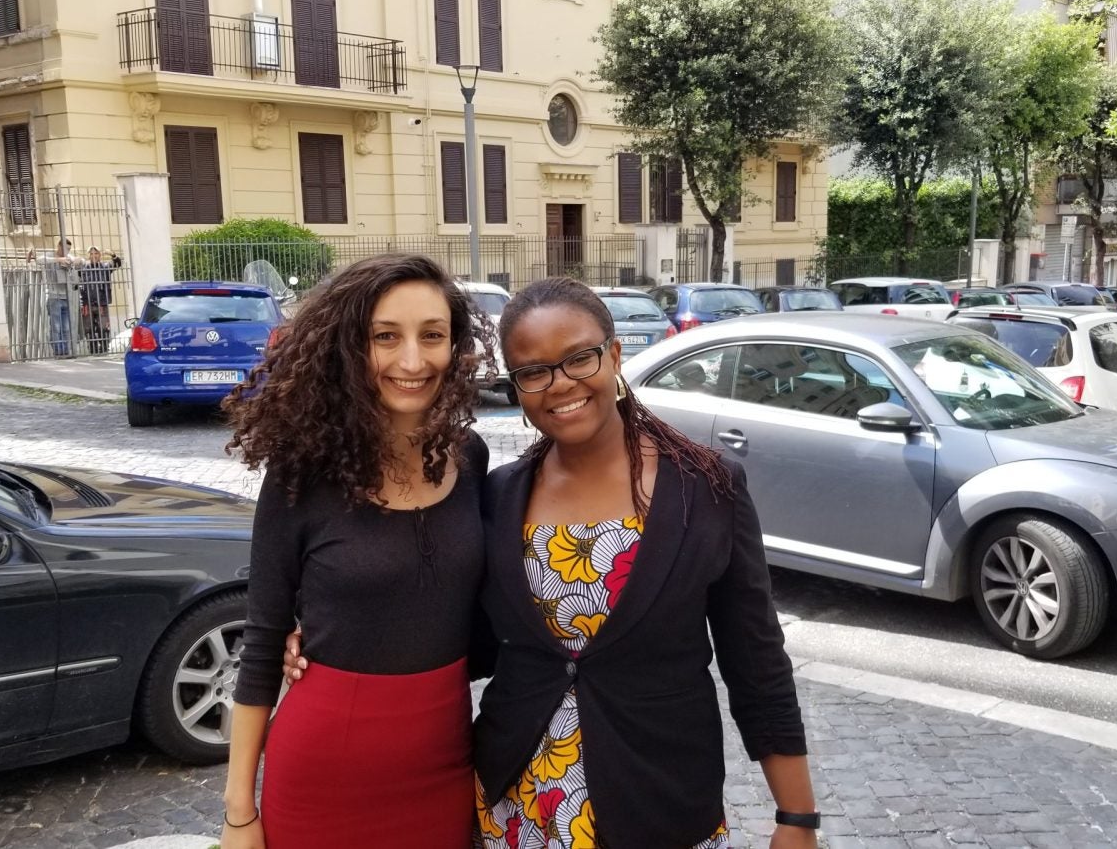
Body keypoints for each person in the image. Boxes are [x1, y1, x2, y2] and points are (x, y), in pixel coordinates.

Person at [285, 278, 820, 847]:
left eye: (579, 358)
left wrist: (797, 816)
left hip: (659, 802)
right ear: (517, 387)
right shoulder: (500, 494)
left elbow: (755, 660)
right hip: (517, 807)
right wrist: (316, 636)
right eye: (533, 371)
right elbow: (454, 631)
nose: (559, 384)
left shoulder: (705, 489)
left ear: (614, 356)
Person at [221, 255, 497, 849]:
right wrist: (239, 811)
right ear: (349, 347)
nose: (412, 361)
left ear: (456, 347)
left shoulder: (471, 457)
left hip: (445, 758)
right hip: (326, 770)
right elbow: (265, 640)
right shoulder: (302, 474)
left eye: (432, 336)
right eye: (385, 337)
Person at [78, 247, 121, 354]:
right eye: (91, 253)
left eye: (96, 253)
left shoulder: (105, 267)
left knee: (103, 327)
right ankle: (93, 349)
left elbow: (117, 264)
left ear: (99, 255)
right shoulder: (83, 268)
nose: (93, 256)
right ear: (88, 255)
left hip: (102, 302)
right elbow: (73, 273)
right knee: (88, 328)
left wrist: (113, 255)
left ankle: (104, 348)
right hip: (87, 303)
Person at [43, 239, 77, 357]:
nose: (66, 251)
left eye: (68, 249)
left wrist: (72, 262)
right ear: (58, 246)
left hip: (66, 297)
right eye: (64, 248)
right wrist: (58, 260)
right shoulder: (50, 255)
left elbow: (81, 261)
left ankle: (66, 351)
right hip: (54, 297)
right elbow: (39, 260)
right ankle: (58, 351)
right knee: (56, 327)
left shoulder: (69, 257)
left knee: (66, 327)